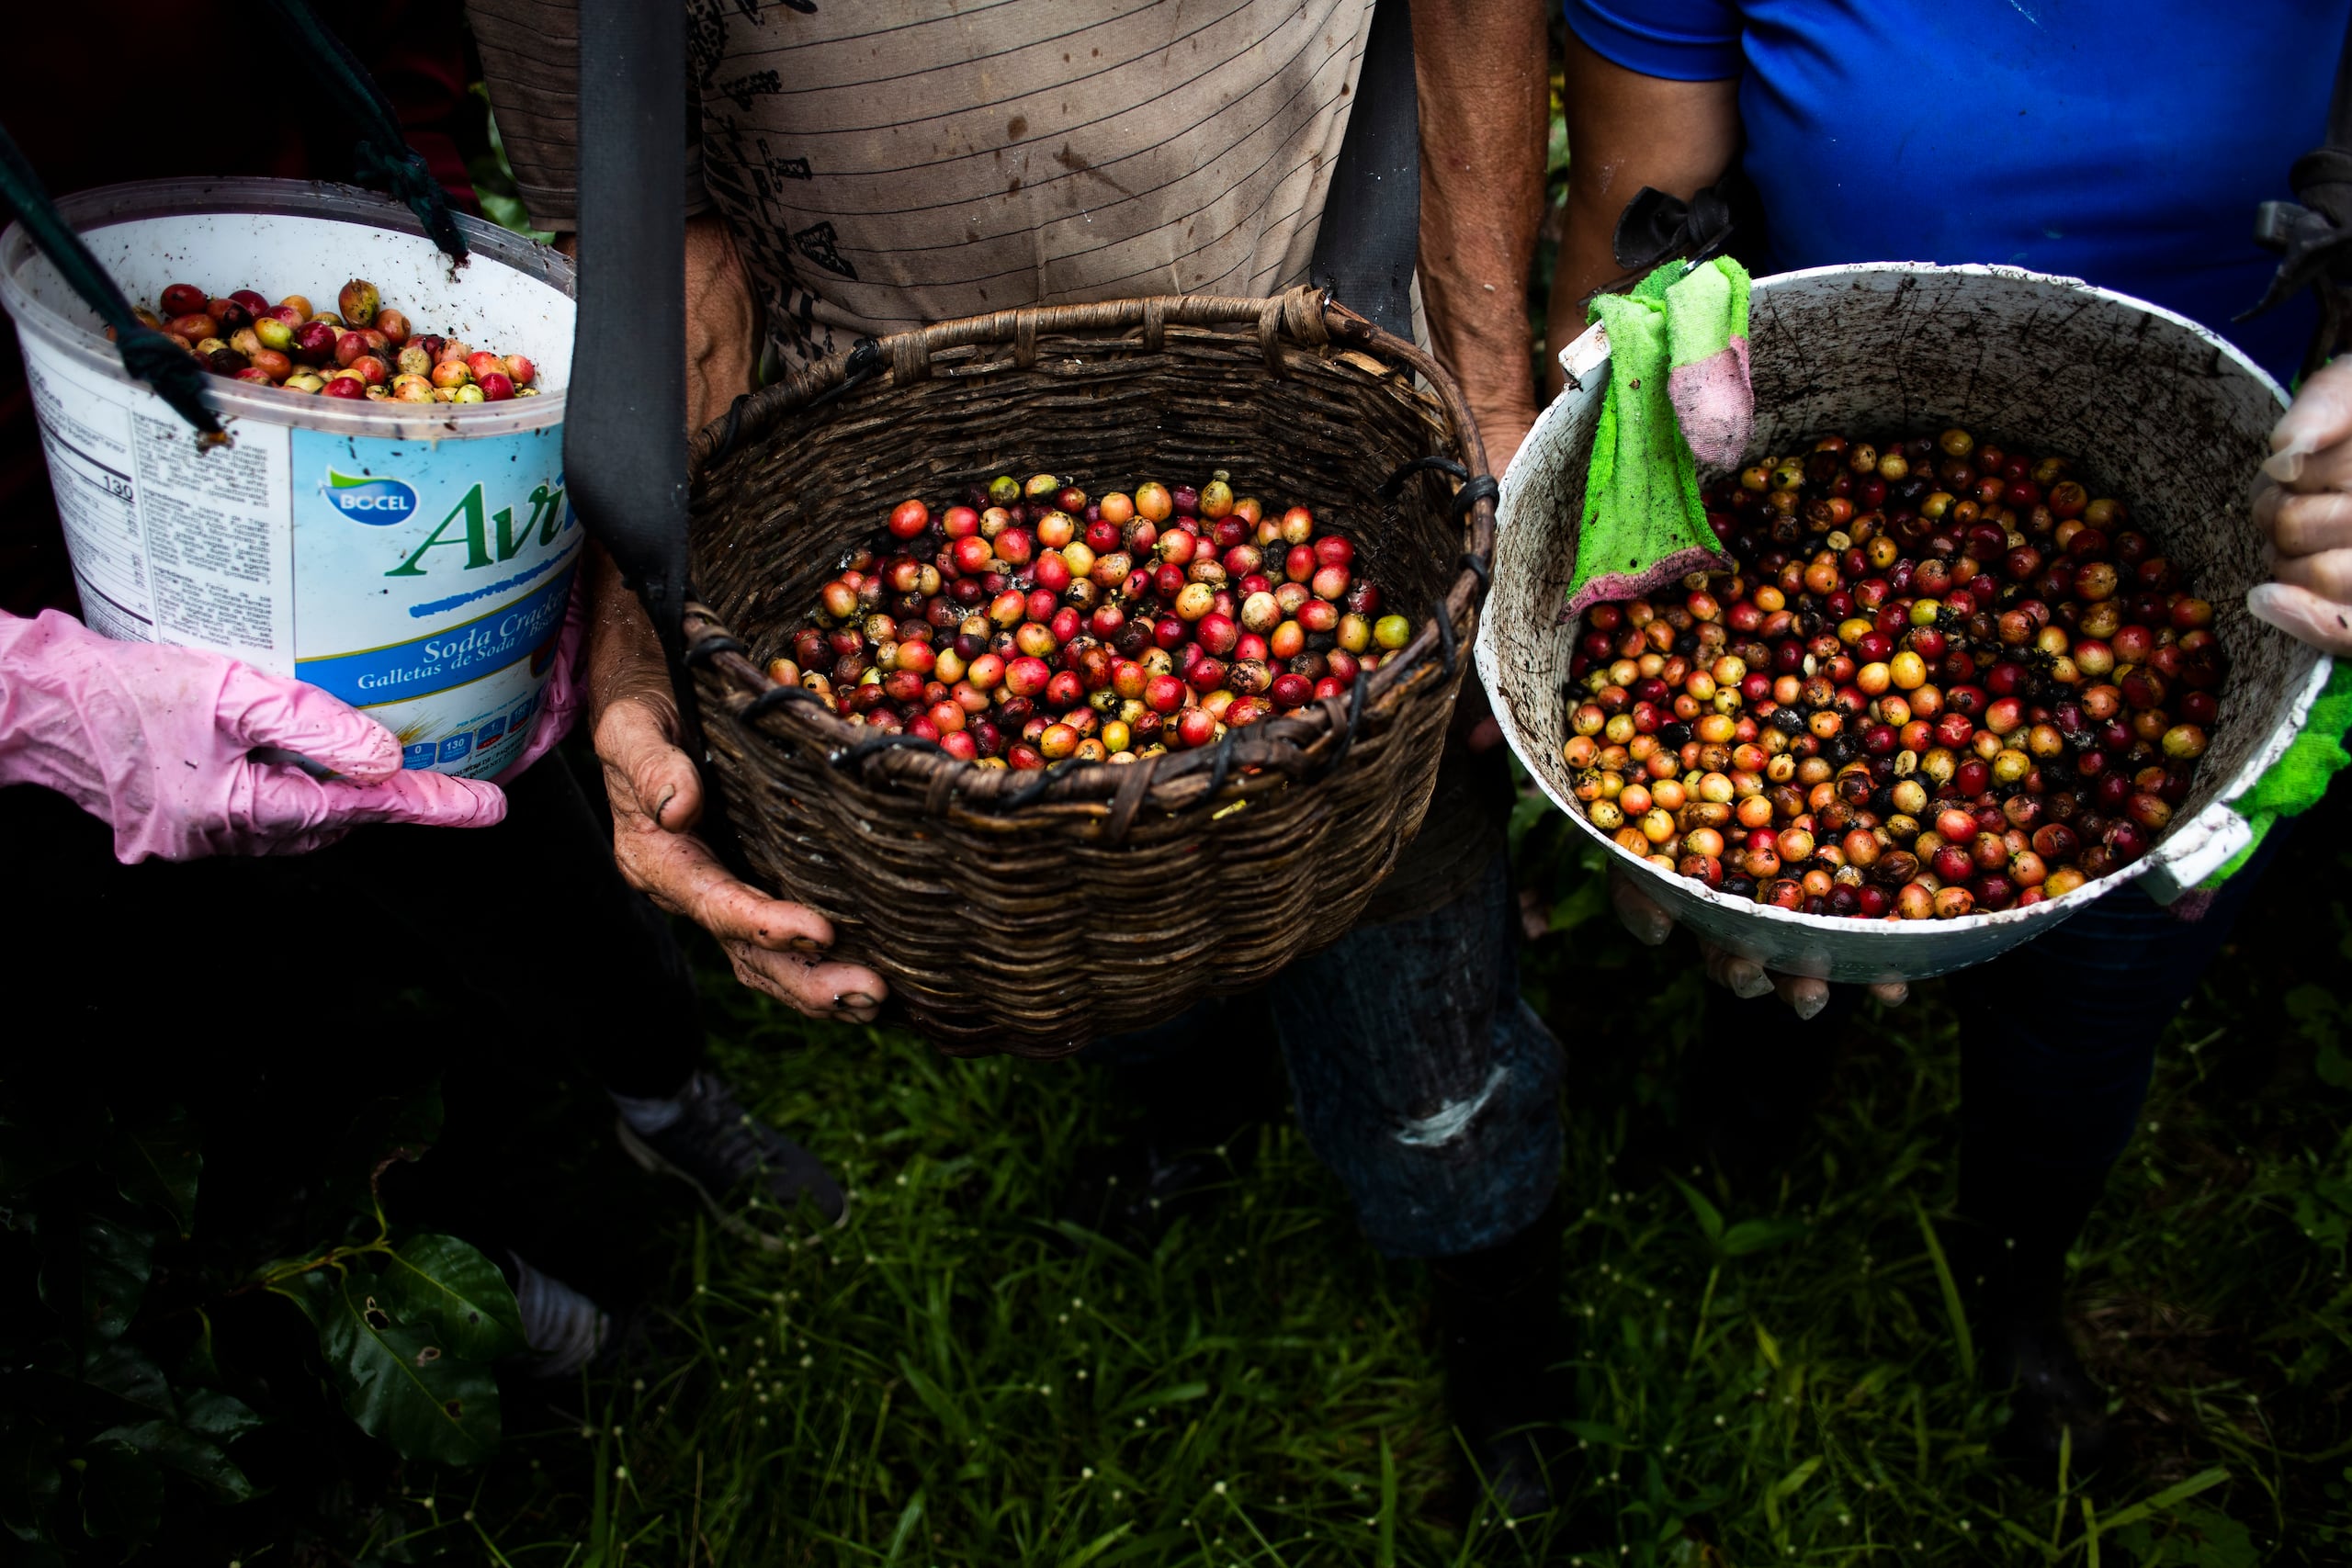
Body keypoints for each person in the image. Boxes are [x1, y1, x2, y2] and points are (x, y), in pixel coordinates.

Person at [467, 0, 1571, 1509]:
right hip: (883, 444)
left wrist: (1492, 400)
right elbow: (665, 240)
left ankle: (1491, 1305)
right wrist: (647, 641)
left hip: (1327, 382)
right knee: (1081, 929)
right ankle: (1185, 1102)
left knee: (1420, 1005)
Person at [1550, 0, 2352, 1478]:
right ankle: (1749, 1106)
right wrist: (1608, 503)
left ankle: (2014, 1285)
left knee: (2098, 996)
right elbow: (1634, 207)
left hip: (2230, 508)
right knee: (1774, 950)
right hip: (1804, 463)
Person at [0, 0, 852, 1381]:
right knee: (178, 1018)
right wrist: (25, 703)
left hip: (343, 466)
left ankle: (660, 1086)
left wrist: (446, 270)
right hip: (31, 539)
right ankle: (448, 1303)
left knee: (522, 856)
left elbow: (393, 33)